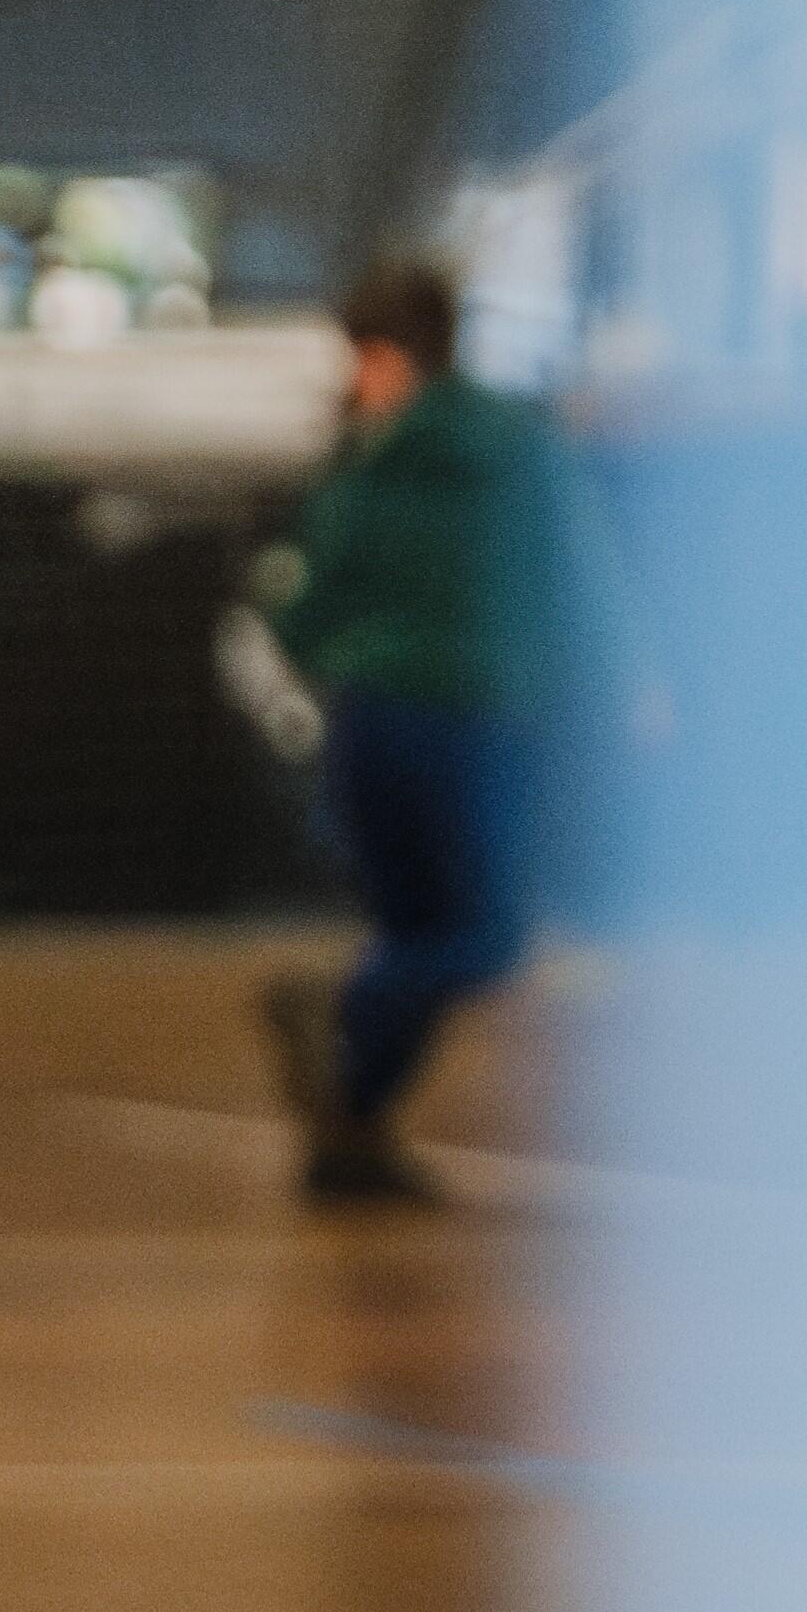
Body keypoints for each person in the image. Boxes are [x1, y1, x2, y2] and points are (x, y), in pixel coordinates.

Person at [250, 250, 594, 1210]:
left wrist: (319, 637)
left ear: (393, 352)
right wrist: (616, 689)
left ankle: (349, 1137)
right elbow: (574, 571)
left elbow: (304, 607)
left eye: (359, 354)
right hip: (475, 730)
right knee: (481, 938)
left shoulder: (368, 455)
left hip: (372, 730)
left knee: (414, 934)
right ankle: (344, 1018)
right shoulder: (516, 442)